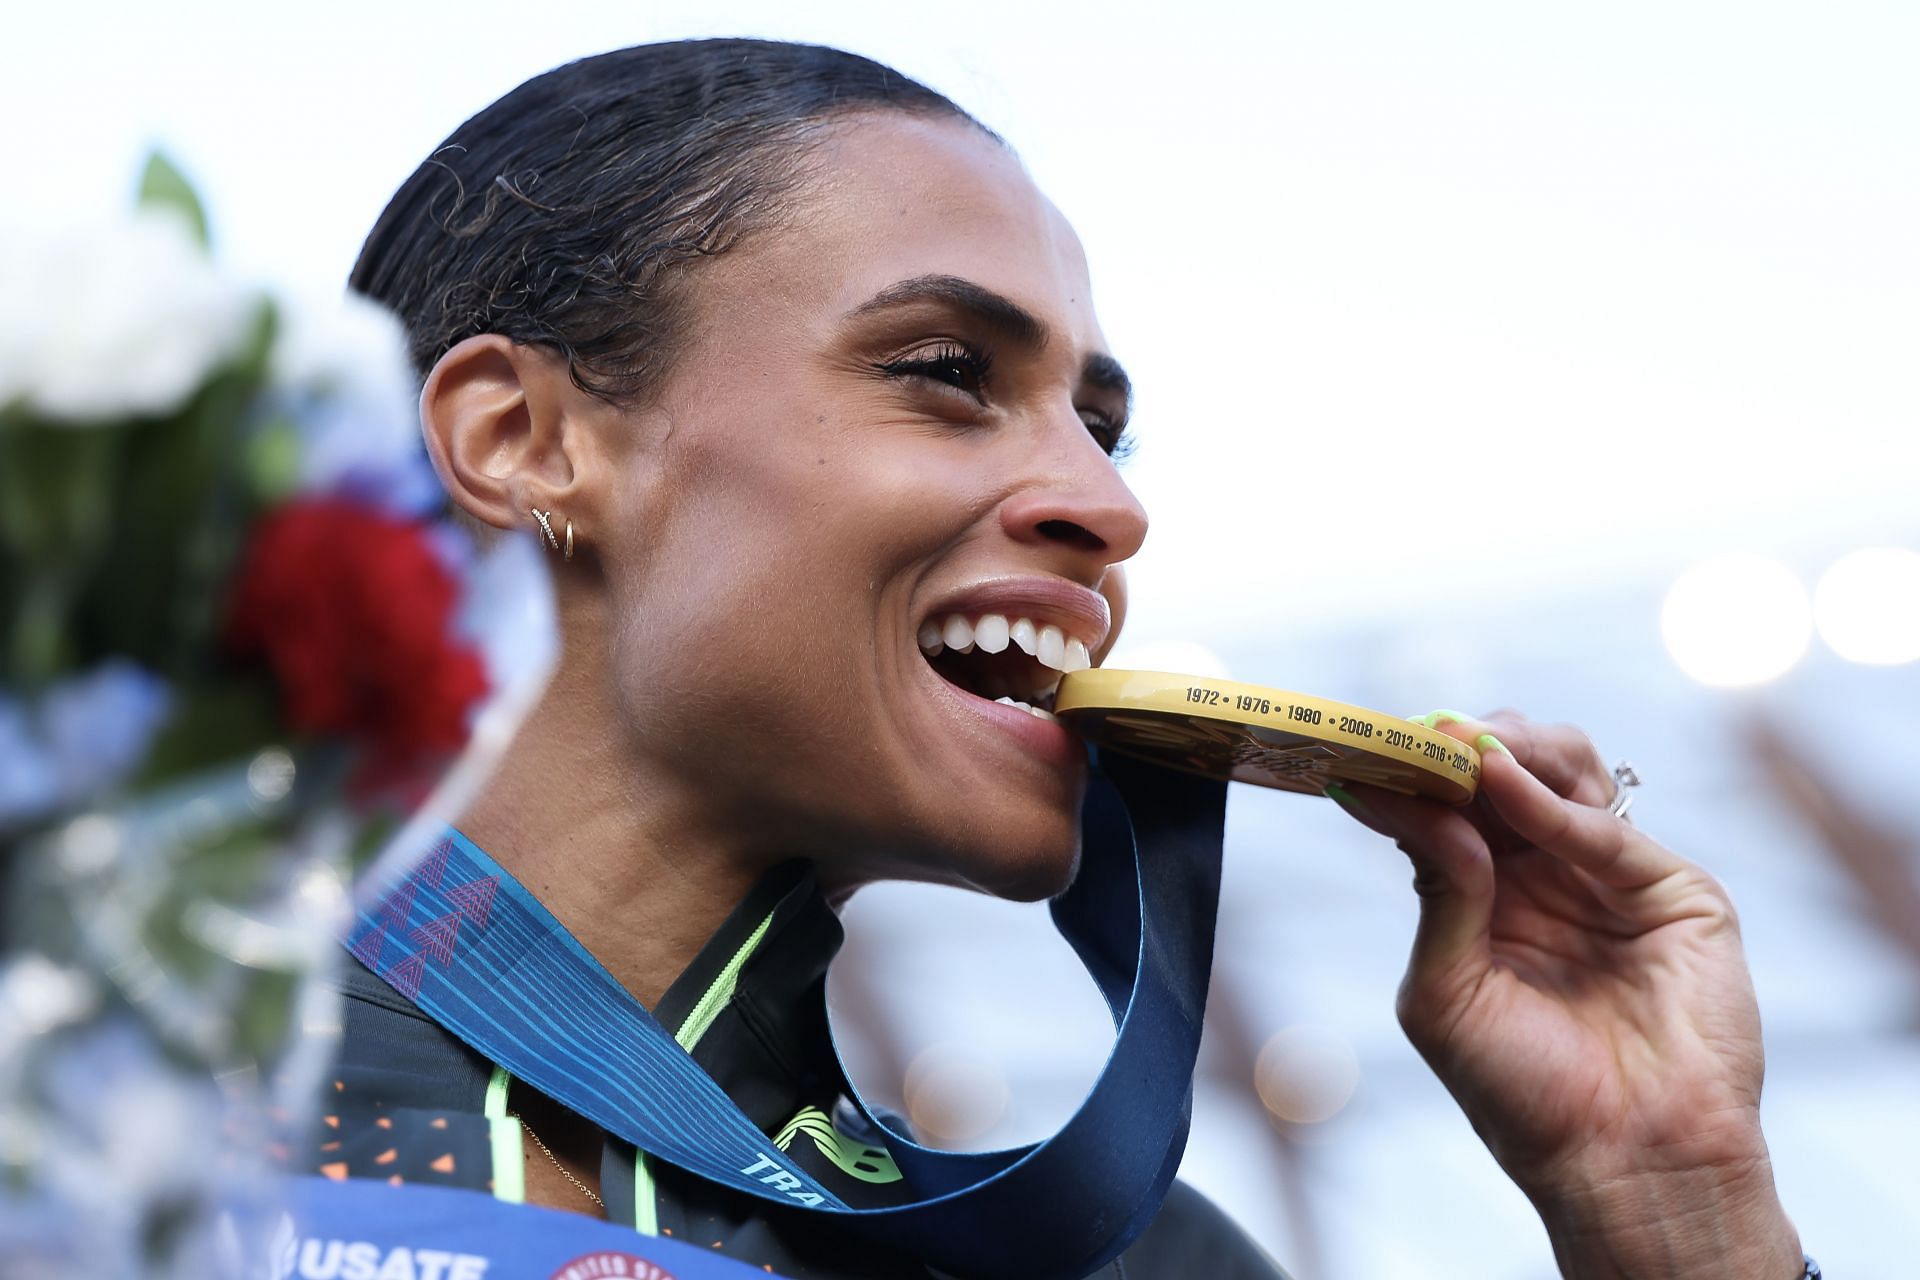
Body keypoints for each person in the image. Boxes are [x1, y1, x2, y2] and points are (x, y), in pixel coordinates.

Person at [321, 38, 1809, 1279]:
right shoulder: (112, 1086)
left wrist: (1676, 1214)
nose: (1110, 506)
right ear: (523, 442)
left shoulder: (1134, 1265)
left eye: (1100, 426)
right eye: (948, 375)